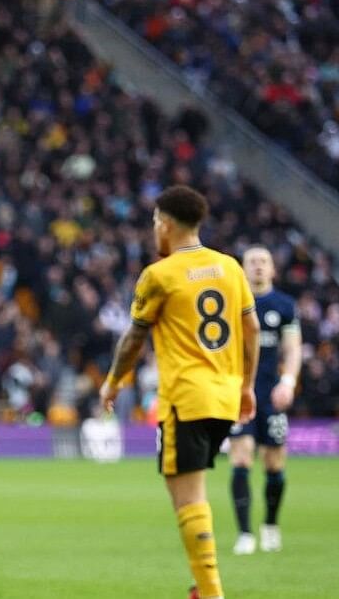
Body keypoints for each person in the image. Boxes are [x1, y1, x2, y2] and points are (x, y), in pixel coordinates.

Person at [100, 185, 259, 599]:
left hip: (185, 398)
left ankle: (210, 592)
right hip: (225, 398)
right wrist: (247, 386)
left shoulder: (160, 275)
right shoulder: (230, 267)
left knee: (187, 500)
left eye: (155, 222)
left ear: (166, 225)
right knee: (195, 495)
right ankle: (202, 588)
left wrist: (113, 381)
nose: (154, 230)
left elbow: (134, 338)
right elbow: (252, 330)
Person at [229, 246, 300, 555]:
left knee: (274, 463)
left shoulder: (284, 305)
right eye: (252, 262)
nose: (258, 266)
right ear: (243, 270)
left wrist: (288, 381)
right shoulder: (231, 303)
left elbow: (293, 349)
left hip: (272, 395)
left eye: (263, 261)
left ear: (273, 269)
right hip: (237, 395)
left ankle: (270, 524)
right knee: (241, 458)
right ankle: (245, 533)